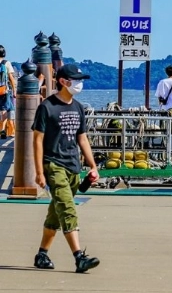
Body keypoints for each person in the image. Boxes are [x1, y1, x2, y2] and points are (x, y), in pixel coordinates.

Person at [32, 63, 99, 273]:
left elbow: (82, 138)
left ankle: (42, 254)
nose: (79, 84)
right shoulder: (47, 107)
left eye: (80, 80)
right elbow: (37, 140)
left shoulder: (78, 107)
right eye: (75, 80)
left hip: (73, 166)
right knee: (68, 209)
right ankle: (79, 257)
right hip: (53, 165)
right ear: (63, 81)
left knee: (56, 213)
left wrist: (92, 165)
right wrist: (40, 172)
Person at [0, 45, 17, 139]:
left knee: (11, 108)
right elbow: (11, 78)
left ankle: (12, 131)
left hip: (2, 91)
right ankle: (2, 130)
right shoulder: (6, 63)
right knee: (4, 110)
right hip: (4, 91)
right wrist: (14, 90)